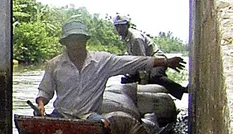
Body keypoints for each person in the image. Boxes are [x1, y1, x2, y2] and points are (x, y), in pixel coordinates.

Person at [35, 19, 185, 119]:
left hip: (89, 116)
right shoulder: (54, 65)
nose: (75, 45)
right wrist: (41, 105)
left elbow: (134, 62)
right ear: (65, 43)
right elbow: (45, 91)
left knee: (106, 125)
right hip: (61, 115)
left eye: (79, 40)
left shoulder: (102, 61)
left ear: (85, 41)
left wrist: (165, 61)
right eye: (72, 41)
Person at [112, 14, 188, 99]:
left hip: (158, 59)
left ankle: (182, 90)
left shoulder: (136, 38)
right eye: (117, 27)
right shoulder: (125, 38)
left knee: (155, 77)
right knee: (126, 80)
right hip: (146, 62)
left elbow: (142, 61)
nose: (119, 29)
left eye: (121, 26)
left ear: (127, 25)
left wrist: (144, 83)